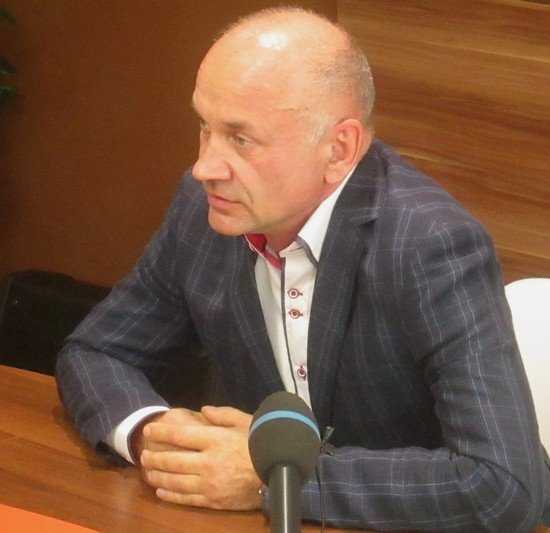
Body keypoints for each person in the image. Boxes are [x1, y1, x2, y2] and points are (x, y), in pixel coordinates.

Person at [56, 7, 550, 531]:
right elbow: (97, 350)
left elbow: (503, 485)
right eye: (205, 127)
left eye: (241, 139)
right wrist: (153, 434)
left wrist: (274, 479)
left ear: (339, 149)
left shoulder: (430, 245)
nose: (205, 167)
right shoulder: (206, 211)